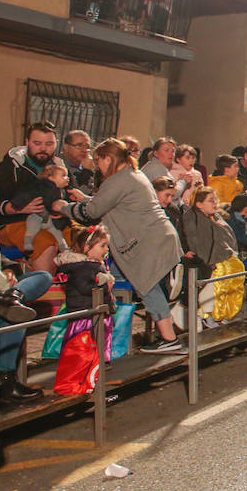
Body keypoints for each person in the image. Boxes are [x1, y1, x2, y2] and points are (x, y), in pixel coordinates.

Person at [54, 138, 185, 354]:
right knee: (142, 285)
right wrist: (85, 198)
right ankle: (116, 335)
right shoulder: (133, 175)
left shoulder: (117, 180)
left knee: (147, 286)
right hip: (158, 236)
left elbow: (92, 213)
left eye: (99, 161)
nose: (98, 166)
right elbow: (110, 203)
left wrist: (64, 207)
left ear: (109, 158)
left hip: (147, 241)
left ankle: (168, 339)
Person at [0, 121, 63, 272]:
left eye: (49, 143)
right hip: (13, 224)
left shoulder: (60, 168)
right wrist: (13, 208)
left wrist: (63, 209)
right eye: (37, 143)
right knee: (45, 242)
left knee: (86, 238)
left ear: (56, 144)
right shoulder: (7, 168)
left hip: (53, 222)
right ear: (27, 142)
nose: (43, 148)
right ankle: (42, 290)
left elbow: (70, 196)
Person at [0, 262, 54, 404]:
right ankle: (7, 386)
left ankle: (12, 298)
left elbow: (6, 261)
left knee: (43, 276)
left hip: (1, 287)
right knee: (15, 317)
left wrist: (9, 270)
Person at [12, 159, 74, 254]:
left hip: (49, 218)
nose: (67, 178)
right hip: (39, 216)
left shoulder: (62, 191)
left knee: (56, 231)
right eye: (63, 176)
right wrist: (17, 204)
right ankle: (28, 244)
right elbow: (28, 196)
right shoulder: (43, 188)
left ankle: (63, 246)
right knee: (32, 228)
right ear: (51, 178)